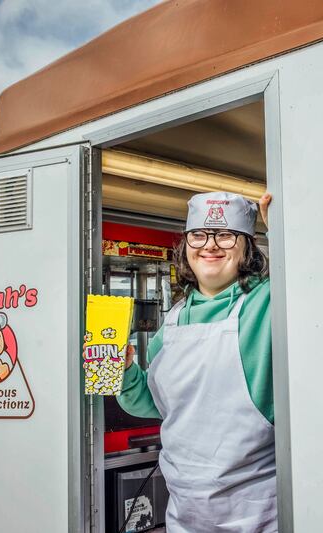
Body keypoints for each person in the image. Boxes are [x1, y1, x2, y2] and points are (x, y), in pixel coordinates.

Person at [117, 191, 275, 532]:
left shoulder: (269, 301)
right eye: (199, 234)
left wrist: (285, 228)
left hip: (257, 512)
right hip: (184, 514)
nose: (210, 245)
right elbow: (156, 404)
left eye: (226, 234)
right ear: (186, 245)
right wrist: (125, 371)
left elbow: (316, 281)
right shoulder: (172, 321)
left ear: (248, 246)